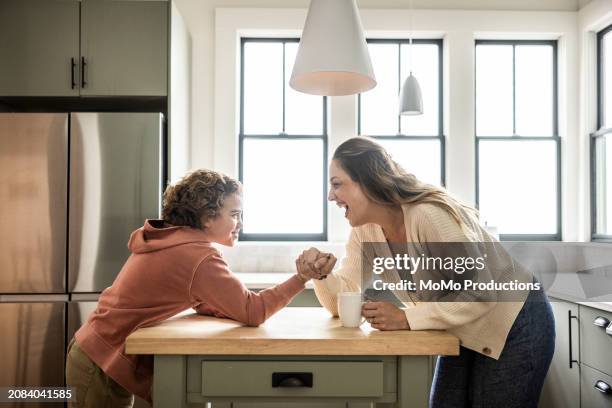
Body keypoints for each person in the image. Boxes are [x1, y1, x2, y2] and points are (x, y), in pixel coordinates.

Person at [297, 137, 555, 408]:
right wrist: (322, 275)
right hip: (460, 326)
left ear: (367, 181)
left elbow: (483, 291)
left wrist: (406, 318)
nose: (330, 196)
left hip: (514, 320)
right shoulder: (365, 231)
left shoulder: (427, 216)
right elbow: (343, 302)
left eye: (337, 184)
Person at [66, 169, 325, 407]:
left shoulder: (169, 239)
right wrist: (301, 278)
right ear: (207, 217)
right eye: (234, 215)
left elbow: (195, 297)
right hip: (99, 366)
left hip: (93, 351)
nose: (241, 223)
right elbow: (253, 311)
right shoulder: (198, 256)